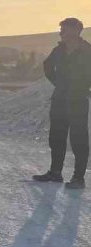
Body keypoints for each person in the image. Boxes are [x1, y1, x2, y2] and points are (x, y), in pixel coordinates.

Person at [34, 17, 91, 189]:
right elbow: (47, 66)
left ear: (75, 31)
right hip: (59, 99)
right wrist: (58, 83)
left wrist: (85, 88)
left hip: (78, 101)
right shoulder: (59, 50)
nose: (60, 33)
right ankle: (55, 172)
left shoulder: (87, 51)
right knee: (56, 137)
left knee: (79, 140)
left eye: (63, 30)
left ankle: (78, 178)